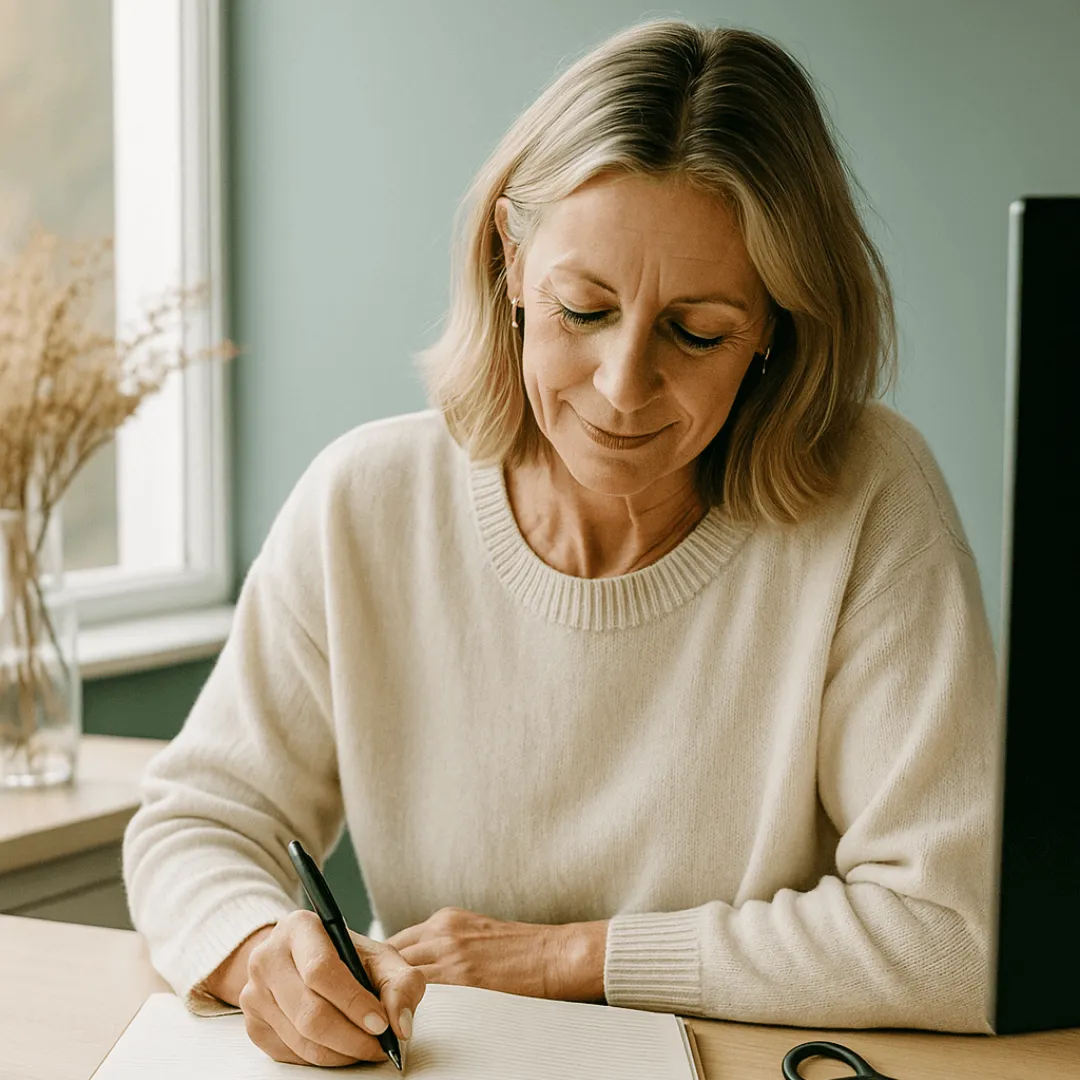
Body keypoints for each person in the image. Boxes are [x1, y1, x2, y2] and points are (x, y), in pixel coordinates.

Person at [122, 18, 999, 1068]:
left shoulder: (868, 499)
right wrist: (257, 944)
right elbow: (194, 823)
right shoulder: (367, 501)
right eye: (585, 309)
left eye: (698, 331)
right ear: (512, 261)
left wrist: (568, 958)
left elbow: (957, 936)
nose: (624, 388)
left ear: (776, 326)